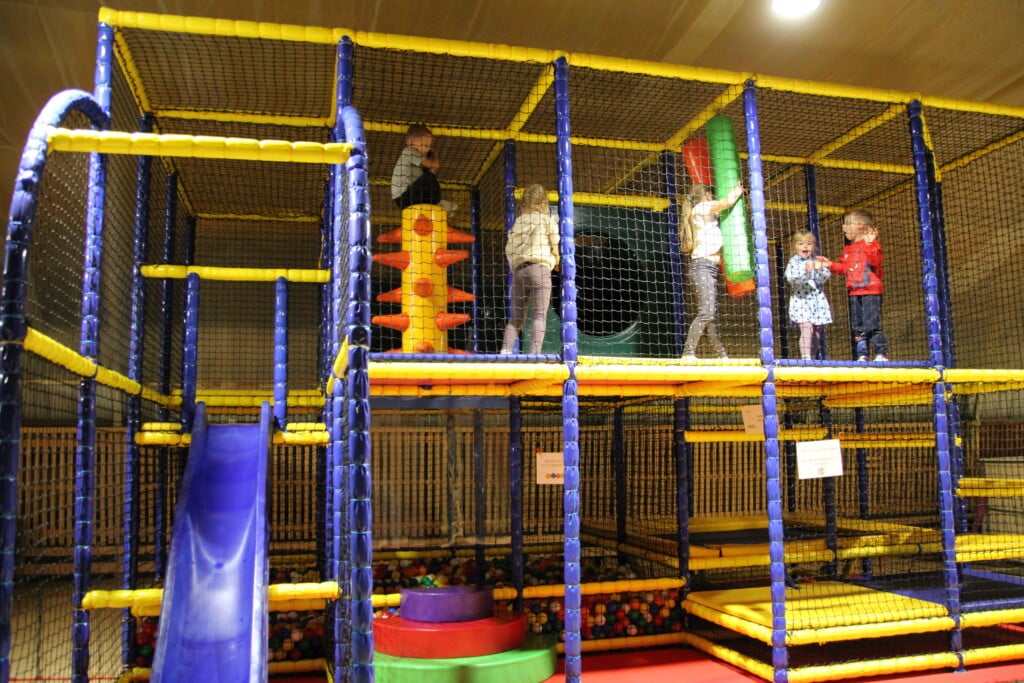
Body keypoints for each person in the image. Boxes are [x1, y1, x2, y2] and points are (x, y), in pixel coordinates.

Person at [681, 182, 744, 361]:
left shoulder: (705, 213)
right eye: (712, 195)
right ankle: (688, 353)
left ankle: (721, 355)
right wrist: (738, 189)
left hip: (708, 268)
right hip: (702, 266)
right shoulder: (701, 207)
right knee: (706, 313)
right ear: (707, 195)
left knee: (709, 315)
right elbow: (726, 203)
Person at [500, 184, 560, 355]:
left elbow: (509, 249)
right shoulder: (546, 220)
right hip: (540, 269)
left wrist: (516, 265)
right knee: (539, 315)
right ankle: (534, 354)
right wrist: (557, 259)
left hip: (519, 272)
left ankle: (505, 350)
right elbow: (555, 243)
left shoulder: (519, 222)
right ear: (543, 203)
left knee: (516, 318)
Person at [823, 208, 889, 361]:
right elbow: (844, 268)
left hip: (871, 291)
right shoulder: (848, 249)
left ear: (861, 226)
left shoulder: (871, 245)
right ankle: (862, 354)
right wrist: (829, 264)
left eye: (848, 223)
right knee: (857, 325)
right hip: (854, 292)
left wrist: (869, 244)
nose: (844, 227)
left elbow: (876, 262)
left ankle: (880, 352)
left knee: (872, 323)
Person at [784, 230, 832, 360]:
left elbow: (823, 279)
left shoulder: (816, 260)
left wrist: (820, 269)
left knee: (817, 330)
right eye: (801, 244)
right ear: (795, 246)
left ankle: (812, 357)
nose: (805, 246)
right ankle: (805, 357)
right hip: (801, 301)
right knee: (807, 328)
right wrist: (806, 273)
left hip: (817, 301)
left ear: (814, 246)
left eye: (809, 244)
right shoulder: (793, 262)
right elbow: (791, 279)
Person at [390, 123, 458, 212]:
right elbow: (434, 165)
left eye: (429, 145)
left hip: (411, 197)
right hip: (404, 197)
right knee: (430, 175)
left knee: (428, 175)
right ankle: (438, 203)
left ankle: (437, 204)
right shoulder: (409, 152)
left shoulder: (417, 160)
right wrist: (434, 155)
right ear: (411, 143)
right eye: (425, 145)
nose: (428, 149)